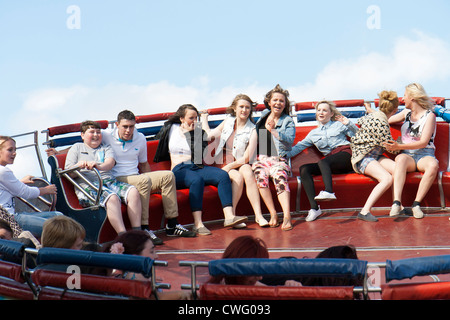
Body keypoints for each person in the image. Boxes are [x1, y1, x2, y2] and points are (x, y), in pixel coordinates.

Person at [102, 110, 196, 243]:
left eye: (131, 126)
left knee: (168, 176)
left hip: (136, 177)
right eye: (125, 126)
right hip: (118, 179)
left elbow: (144, 164)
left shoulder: (140, 138)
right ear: (117, 125)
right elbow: (89, 135)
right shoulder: (106, 136)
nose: (128, 130)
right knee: (143, 180)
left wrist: (151, 182)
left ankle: (172, 224)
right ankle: (144, 228)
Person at [154, 104, 248, 235]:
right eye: (191, 118)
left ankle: (229, 216)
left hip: (195, 166)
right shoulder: (170, 128)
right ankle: (198, 224)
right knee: (196, 180)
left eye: (196, 118)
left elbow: (200, 155)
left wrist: (191, 134)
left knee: (222, 175)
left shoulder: (197, 131)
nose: (194, 121)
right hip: (179, 169)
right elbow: (157, 140)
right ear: (181, 118)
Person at [201, 94, 269, 227]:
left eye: (247, 107)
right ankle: (231, 216)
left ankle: (258, 215)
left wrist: (230, 166)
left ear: (250, 110)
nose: (244, 110)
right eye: (241, 107)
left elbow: (247, 157)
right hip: (223, 160)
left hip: (239, 161)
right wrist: (204, 119)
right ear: (235, 109)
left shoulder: (253, 130)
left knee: (248, 171)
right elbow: (209, 135)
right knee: (237, 177)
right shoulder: (228, 121)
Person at [64, 120, 142, 235]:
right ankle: (123, 235)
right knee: (112, 198)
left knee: (133, 192)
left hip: (109, 182)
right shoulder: (76, 148)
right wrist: (79, 166)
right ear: (82, 135)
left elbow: (109, 163)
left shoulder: (106, 148)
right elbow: (68, 172)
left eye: (98, 132)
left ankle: (137, 232)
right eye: (92, 132)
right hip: (89, 186)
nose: (96, 135)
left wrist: (98, 166)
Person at [286, 101, 358, 221]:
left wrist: (349, 123)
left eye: (324, 110)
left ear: (331, 114)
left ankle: (329, 191)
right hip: (331, 162)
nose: (321, 112)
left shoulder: (339, 125)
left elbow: (358, 135)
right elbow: (298, 147)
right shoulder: (313, 134)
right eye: (319, 110)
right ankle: (314, 209)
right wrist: (280, 156)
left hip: (346, 154)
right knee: (304, 169)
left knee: (323, 162)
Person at [384, 83, 439, 219]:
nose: (403, 99)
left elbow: (423, 142)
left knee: (433, 165)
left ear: (413, 98)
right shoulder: (405, 113)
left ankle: (416, 204)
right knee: (401, 159)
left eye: (405, 96)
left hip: (424, 154)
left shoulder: (429, 116)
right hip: (407, 156)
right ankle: (396, 202)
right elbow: (387, 120)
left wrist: (398, 147)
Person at [350, 91, 399, 222]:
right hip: (363, 157)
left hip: (374, 155)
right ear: (395, 110)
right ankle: (364, 211)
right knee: (387, 179)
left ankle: (397, 204)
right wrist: (401, 144)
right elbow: (391, 148)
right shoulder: (382, 123)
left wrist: (368, 108)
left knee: (397, 169)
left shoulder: (375, 115)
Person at [252, 84, 295, 231]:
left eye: (281, 101)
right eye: (275, 100)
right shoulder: (264, 115)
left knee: (279, 178)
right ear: (269, 102)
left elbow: (290, 141)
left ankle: (287, 216)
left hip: (278, 158)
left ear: (285, 104)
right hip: (262, 158)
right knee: (259, 176)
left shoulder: (287, 120)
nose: (278, 103)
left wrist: (275, 131)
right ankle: (273, 213)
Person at [103, 230, 192, 300]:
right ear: (135, 257)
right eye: (151, 251)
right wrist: (183, 294)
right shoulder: (135, 277)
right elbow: (157, 298)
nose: (156, 256)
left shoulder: (124, 275)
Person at [0, 136, 61, 236]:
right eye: (10, 150)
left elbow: (7, 187)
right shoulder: (3, 171)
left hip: (10, 216)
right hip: (9, 218)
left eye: (15, 150)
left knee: (58, 216)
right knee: (58, 228)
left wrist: (21, 181)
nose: (14, 153)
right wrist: (45, 190)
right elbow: (25, 192)